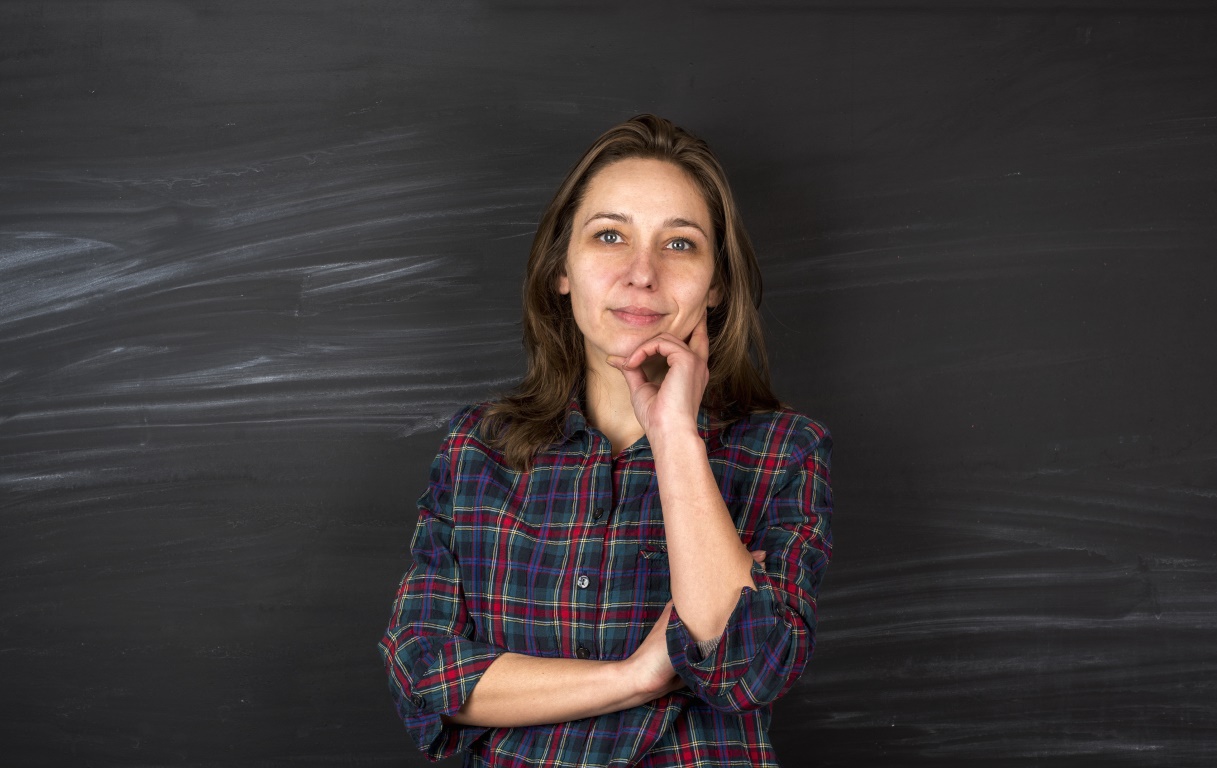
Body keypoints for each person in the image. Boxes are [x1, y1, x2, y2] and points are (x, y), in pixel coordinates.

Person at [378, 114, 834, 767]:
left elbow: (745, 670)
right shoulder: (477, 448)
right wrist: (639, 676)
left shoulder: (783, 452)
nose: (641, 273)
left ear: (717, 285)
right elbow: (424, 674)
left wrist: (675, 435)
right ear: (561, 269)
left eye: (678, 245)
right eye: (609, 236)